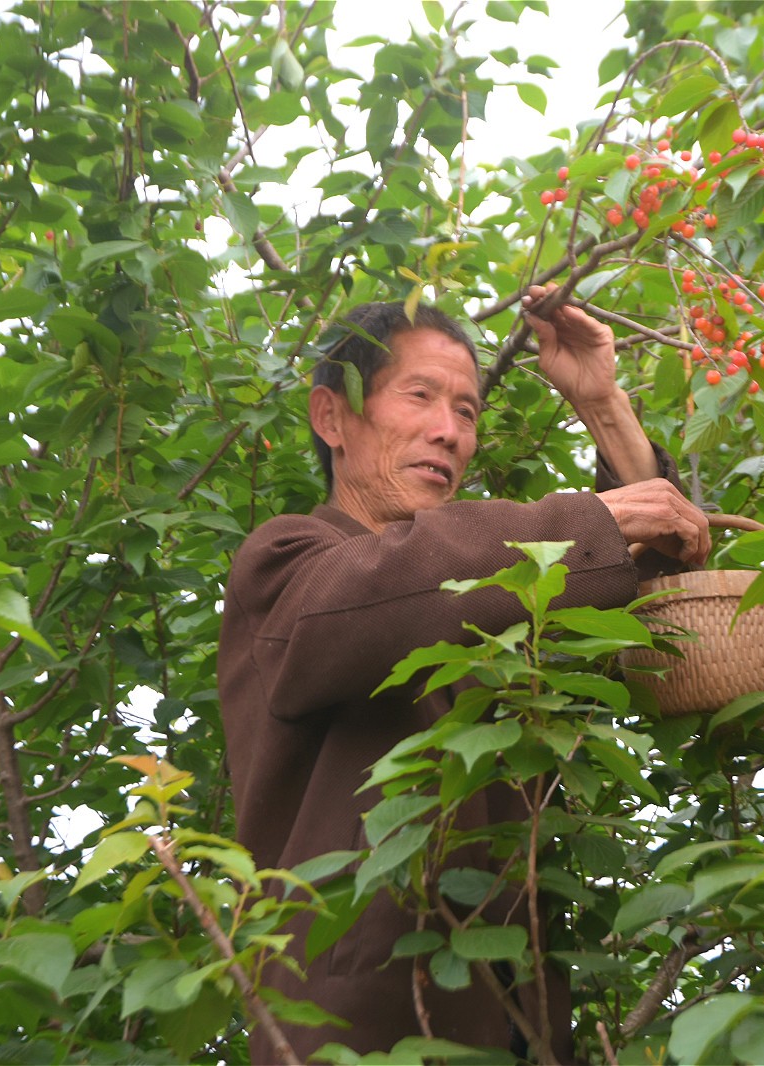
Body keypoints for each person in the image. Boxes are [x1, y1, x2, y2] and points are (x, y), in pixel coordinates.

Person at [217, 290, 709, 1062]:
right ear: (332, 417)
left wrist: (603, 405)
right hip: (351, 1034)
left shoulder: (496, 599)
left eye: (468, 411)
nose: (448, 431)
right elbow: (388, 587)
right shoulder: (287, 564)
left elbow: (660, 607)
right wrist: (588, 521)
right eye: (419, 395)